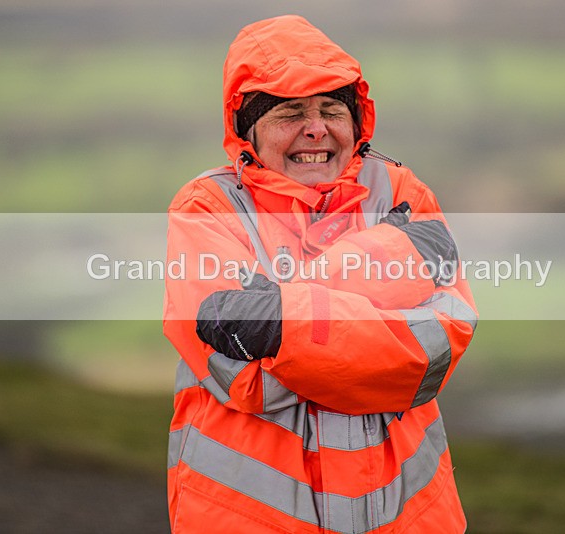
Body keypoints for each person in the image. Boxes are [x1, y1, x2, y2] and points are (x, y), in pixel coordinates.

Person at [163, 15, 477, 533]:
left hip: (408, 515)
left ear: (357, 122)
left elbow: (437, 348)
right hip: (247, 517)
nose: (316, 128)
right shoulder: (207, 207)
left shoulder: (399, 191)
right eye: (290, 112)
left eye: (332, 110)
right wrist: (382, 279)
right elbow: (242, 376)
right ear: (248, 129)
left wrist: (283, 312)